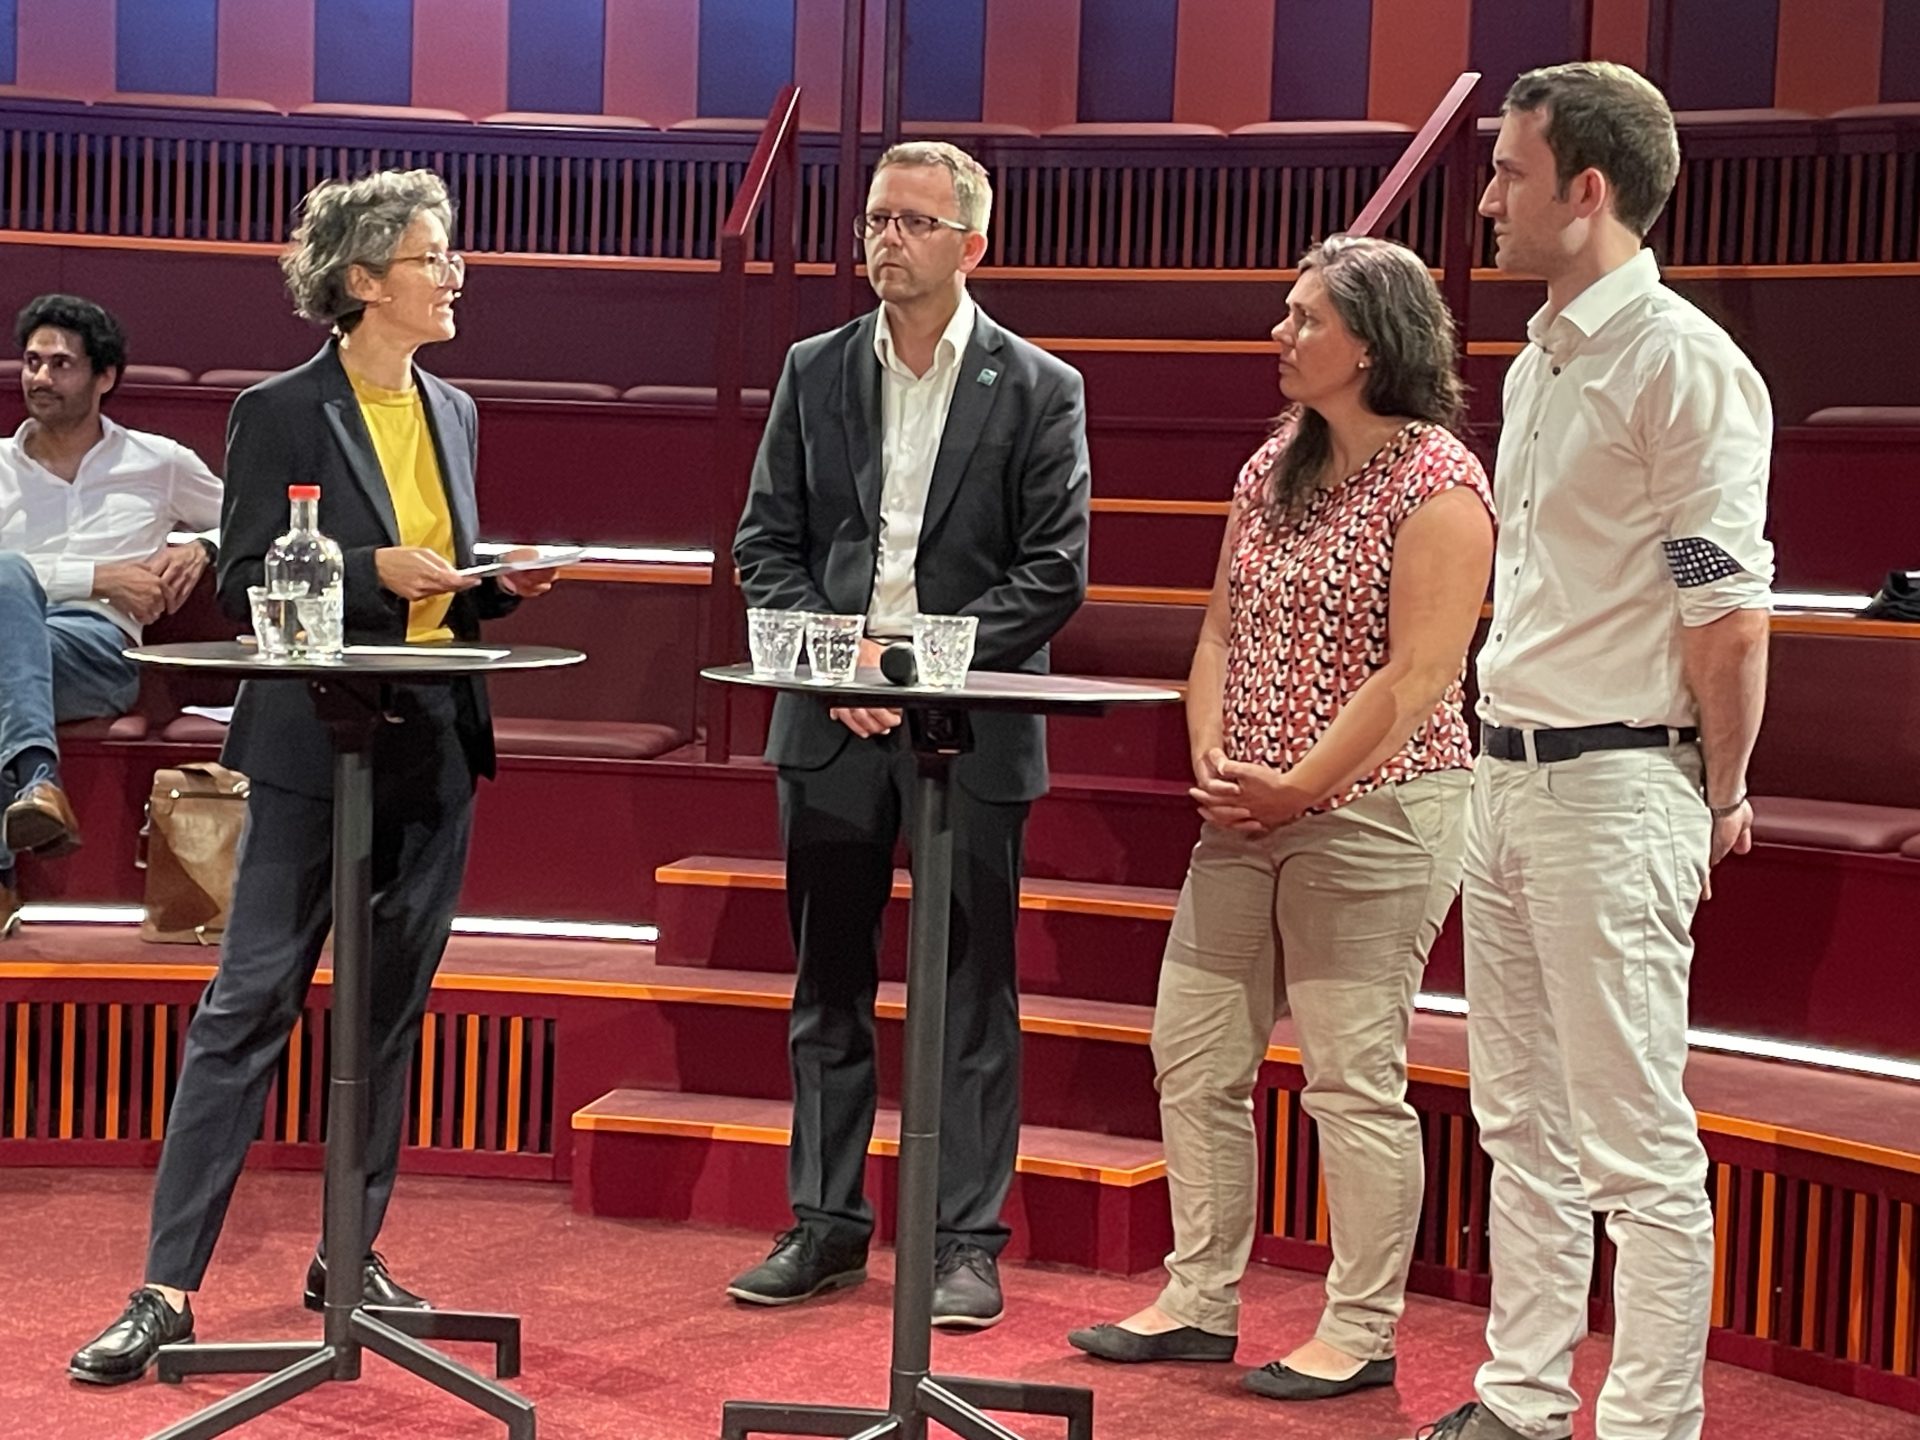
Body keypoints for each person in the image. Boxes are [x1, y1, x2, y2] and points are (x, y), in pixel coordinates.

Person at [68, 168, 560, 1385]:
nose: (456, 274)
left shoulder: (454, 409)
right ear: (361, 279)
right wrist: (373, 562)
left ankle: (350, 1253)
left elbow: (436, 581)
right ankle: (165, 1287)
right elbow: (244, 570)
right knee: (248, 1011)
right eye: (435, 256)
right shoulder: (280, 407)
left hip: (435, 736)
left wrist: (489, 585)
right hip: (313, 745)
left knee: (387, 1015)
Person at [1411, 63, 1772, 1440]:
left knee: (1631, 1146)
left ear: (1589, 190)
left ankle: (1645, 1424)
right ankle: (1520, 1398)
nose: (1488, 196)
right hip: (1505, 774)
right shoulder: (1548, 349)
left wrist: (1721, 789)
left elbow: (1726, 610)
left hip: (1620, 779)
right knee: (1521, 1125)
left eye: (1508, 172)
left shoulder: (1680, 364)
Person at [1067, 236, 1494, 1400]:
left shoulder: (1439, 480)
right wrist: (1212, 750)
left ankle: (1360, 1331)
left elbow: (1420, 676)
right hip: (1241, 814)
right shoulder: (1270, 467)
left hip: (1378, 815)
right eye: (1284, 314)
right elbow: (1216, 633)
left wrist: (1302, 783)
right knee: (1193, 1055)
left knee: (1353, 1078)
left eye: (1305, 318)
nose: (1281, 335)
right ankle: (1200, 1298)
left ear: (1372, 341)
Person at [729, 140, 1090, 1329]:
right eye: (877, 219)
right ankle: (826, 1226)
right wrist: (845, 667)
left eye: (915, 223)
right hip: (830, 724)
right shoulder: (812, 368)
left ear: (972, 245)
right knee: (828, 982)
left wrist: (915, 667)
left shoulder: (1040, 386)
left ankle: (964, 1241)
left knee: (969, 992)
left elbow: (1052, 576)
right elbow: (764, 546)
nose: (888, 239)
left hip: (968, 728)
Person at [0, 294, 222, 932]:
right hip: (18, 644)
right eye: (32, 362)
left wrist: (201, 547)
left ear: (105, 377)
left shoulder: (158, 462)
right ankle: (36, 784)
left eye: (61, 364)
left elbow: (252, 520)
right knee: (7, 575)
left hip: (99, 654)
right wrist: (95, 576)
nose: (40, 378)